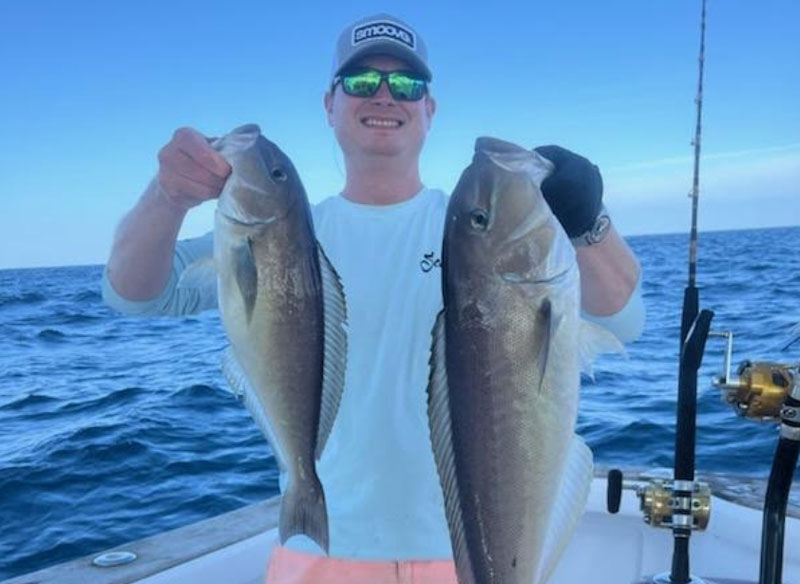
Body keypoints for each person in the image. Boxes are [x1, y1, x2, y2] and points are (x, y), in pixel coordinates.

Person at [103, 13, 644, 584]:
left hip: (472, 560)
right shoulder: (285, 235)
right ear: (329, 105)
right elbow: (134, 294)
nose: (384, 95)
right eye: (361, 82)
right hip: (319, 554)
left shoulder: (468, 230)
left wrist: (587, 221)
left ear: (429, 110)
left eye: (407, 85)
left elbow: (623, 317)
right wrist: (166, 195)